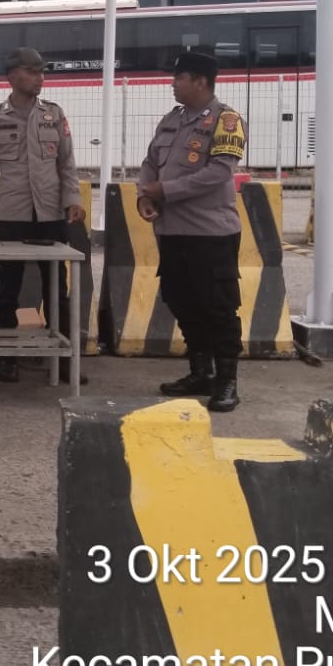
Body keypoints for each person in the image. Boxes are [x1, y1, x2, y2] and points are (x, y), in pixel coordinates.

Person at [136, 50, 246, 412]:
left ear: (200, 82)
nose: (173, 83)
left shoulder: (226, 120)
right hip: (172, 230)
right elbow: (151, 162)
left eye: (179, 77)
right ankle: (201, 372)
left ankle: (227, 381)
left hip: (210, 233)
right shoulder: (172, 119)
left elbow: (219, 172)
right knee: (180, 300)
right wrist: (144, 196)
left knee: (217, 307)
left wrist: (165, 191)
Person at [0, 47, 85, 384]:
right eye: (33, 72)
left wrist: (73, 199)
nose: (40, 78)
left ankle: (64, 359)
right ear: (12, 76)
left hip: (50, 213)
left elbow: (66, 162)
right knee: (8, 285)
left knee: (57, 286)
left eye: (42, 72)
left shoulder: (54, 114)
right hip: (11, 214)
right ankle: (6, 356)